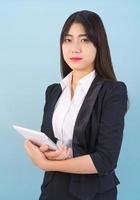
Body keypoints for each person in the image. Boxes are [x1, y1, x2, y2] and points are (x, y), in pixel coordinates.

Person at [24, 10, 128, 200]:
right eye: (68, 40)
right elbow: (47, 139)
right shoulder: (54, 91)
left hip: (93, 193)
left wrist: (48, 164)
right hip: (52, 190)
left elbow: (105, 160)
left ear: (99, 44)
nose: (75, 48)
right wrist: (43, 149)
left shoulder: (113, 92)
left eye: (85, 40)